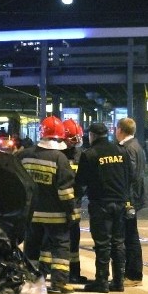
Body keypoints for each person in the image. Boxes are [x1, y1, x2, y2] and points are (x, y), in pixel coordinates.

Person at [16, 116, 75, 294]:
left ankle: (30, 280)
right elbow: (65, 191)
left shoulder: (24, 155)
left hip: (31, 214)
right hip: (55, 215)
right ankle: (59, 283)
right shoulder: (60, 158)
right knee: (60, 248)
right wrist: (70, 211)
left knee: (32, 248)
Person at [75, 123, 134, 293]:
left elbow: (81, 182)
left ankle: (101, 280)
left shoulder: (90, 154)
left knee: (102, 243)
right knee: (118, 242)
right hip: (120, 202)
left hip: (101, 203)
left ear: (92, 135)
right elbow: (130, 176)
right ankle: (118, 281)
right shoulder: (122, 151)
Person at [117, 118, 148, 287]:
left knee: (130, 237)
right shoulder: (136, 146)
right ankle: (132, 273)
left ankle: (133, 274)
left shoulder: (127, 148)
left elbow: (132, 174)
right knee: (131, 235)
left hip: (129, 198)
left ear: (120, 130)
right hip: (135, 196)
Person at [62, 119, 86, 283]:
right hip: (60, 206)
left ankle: (74, 273)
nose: (75, 143)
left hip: (74, 206)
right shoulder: (58, 155)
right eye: (72, 139)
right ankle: (60, 275)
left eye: (77, 139)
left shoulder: (81, 155)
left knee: (73, 242)